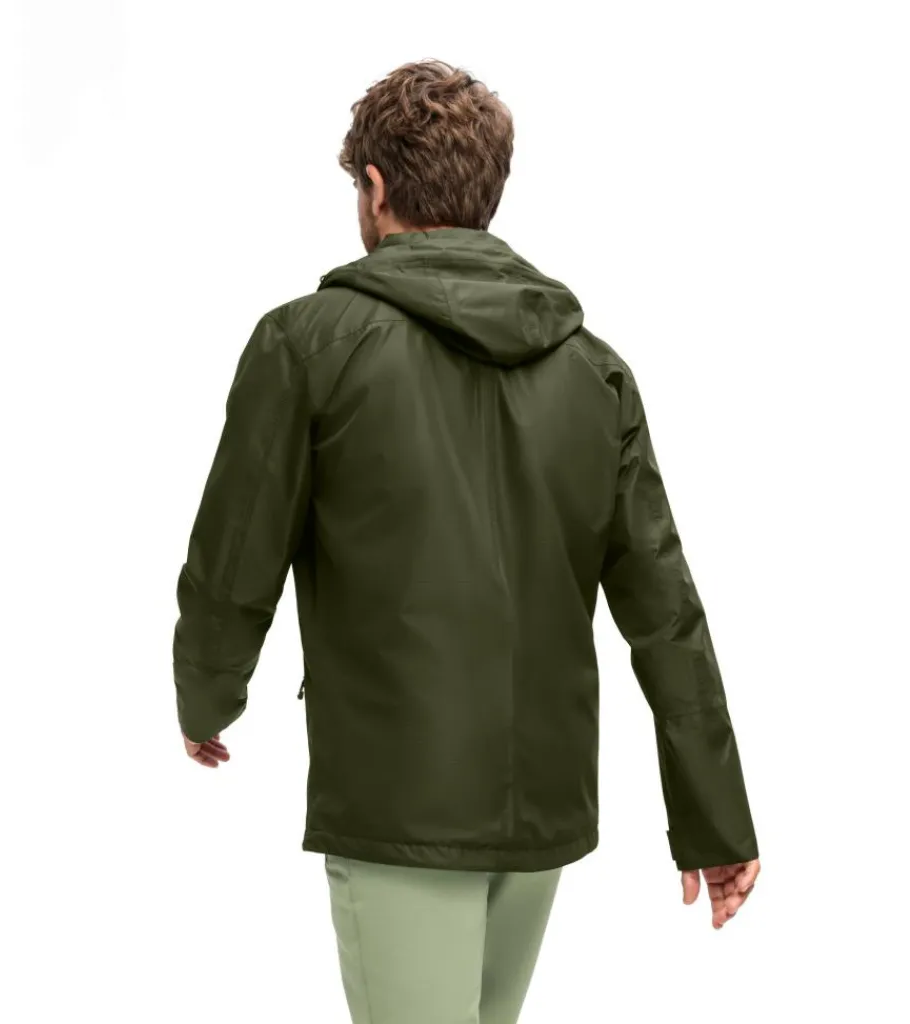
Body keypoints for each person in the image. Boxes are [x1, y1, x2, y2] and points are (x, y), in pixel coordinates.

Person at [171, 58, 760, 1024]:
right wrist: (714, 817)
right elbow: (666, 613)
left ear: (375, 188)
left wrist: (206, 696)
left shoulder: (306, 344)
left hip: (401, 801)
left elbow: (233, 566)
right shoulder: (595, 372)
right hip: (543, 807)